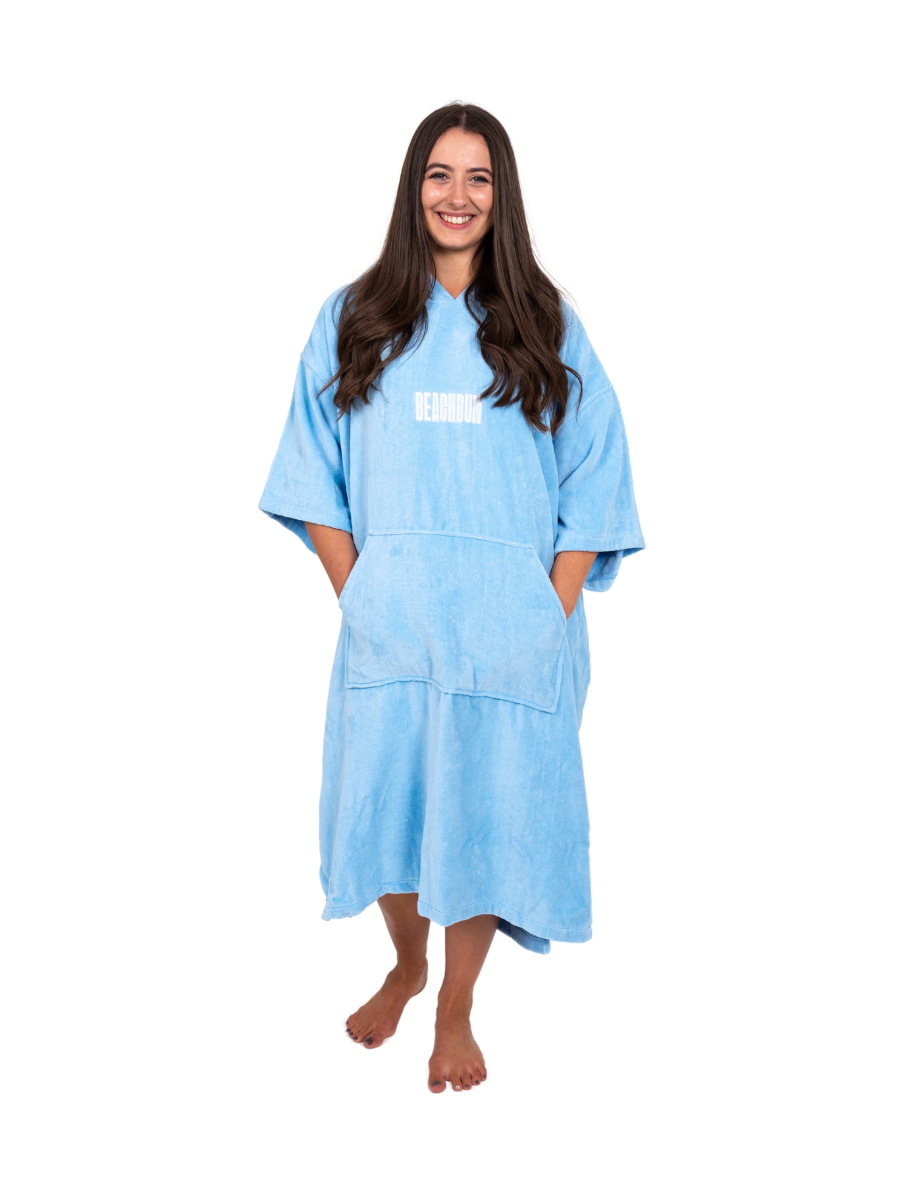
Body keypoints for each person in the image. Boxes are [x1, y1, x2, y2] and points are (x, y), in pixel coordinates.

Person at [259, 103, 644, 1093]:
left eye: (479, 177)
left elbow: (596, 477)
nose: (458, 195)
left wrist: (547, 612)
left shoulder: (546, 326)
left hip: (513, 631)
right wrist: (362, 594)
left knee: (483, 816)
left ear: (501, 196)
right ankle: (406, 963)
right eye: (440, 173)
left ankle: (457, 1002)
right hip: (394, 625)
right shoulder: (355, 319)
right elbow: (312, 471)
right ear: (413, 186)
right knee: (386, 807)